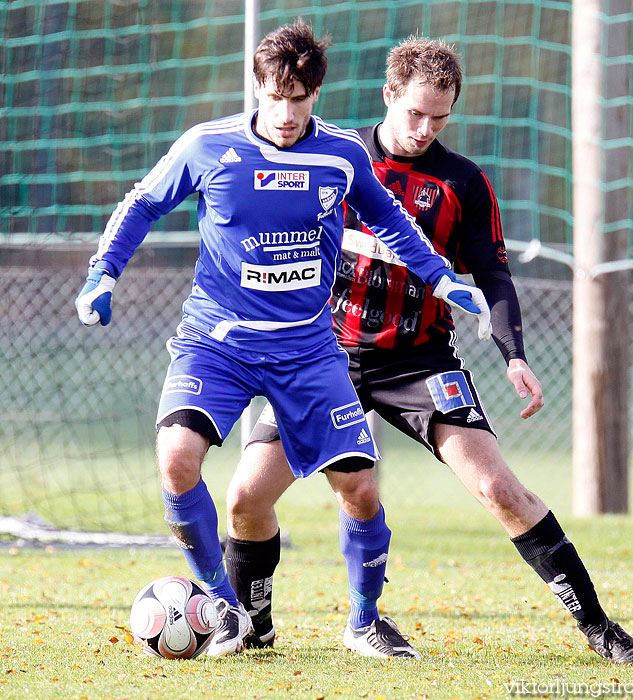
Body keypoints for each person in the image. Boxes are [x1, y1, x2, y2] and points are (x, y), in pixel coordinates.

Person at [224, 37, 633, 664]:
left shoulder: (462, 182)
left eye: (440, 118)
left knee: (501, 490)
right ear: (389, 96)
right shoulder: (328, 158)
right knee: (245, 498)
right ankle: (253, 624)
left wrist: (514, 353)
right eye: (415, 114)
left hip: (418, 359)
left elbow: (494, 274)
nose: (425, 130)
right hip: (322, 358)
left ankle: (599, 627)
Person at [75, 23, 490, 658]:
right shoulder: (208, 146)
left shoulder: (341, 155)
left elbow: (391, 220)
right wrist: (103, 273)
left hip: (307, 349)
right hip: (216, 340)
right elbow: (141, 205)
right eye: (276, 96)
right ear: (258, 88)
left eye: (300, 98)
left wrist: (442, 279)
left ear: (316, 94)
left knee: (361, 488)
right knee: (176, 458)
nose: (287, 112)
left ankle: (363, 621)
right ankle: (224, 607)